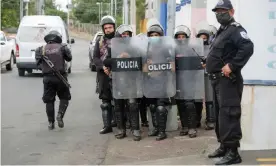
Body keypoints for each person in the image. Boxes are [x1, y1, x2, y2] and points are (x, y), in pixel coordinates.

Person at [205, 0, 254, 165]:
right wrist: (208, 61)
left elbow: (247, 47)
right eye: (217, 11)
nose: (219, 14)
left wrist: (232, 66)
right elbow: (220, 52)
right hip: (217, 81)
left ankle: (233, 152)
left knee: (229, 115)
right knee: (220, 115)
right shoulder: (221, 31)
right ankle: (224, 146)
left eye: (223, 11)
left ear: (231, 11)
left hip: (228, 82)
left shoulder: (236, 30)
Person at [106, 24, 142, 141]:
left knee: (132, 104)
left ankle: (135, 129)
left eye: (127, 34)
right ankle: (121, 130)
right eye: (123, 35)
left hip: (131, 80)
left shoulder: (135, 48)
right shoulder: (113, 48)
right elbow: (106, 61)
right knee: (118, 105)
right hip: (117, 81)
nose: (125, 36)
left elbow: (141, 60)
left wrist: (130, 56)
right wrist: (118, 58)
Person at [35, 30, 72, 130]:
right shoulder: (63, 47)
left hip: (47, 78)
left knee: (49, 101)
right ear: (58, 38)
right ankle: (60, 114)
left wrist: (46, 69)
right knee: (64, 97)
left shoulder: (40, 49)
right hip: (61, 77)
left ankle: (51, 123)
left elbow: (38, 65)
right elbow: (69, 58)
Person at [143, 24, 175, 141]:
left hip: (162, 81)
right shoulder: (145, 49)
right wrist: (148, 66)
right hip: (150, 81)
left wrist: (162, 69)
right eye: (151, 35)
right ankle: (155, 128)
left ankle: (162, 131)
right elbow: (143, 67)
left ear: (161, 36)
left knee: (161, 107)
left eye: (156, 35)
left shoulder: (165, 48)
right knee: (152, 106)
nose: (154, 37)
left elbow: (172, 65)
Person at [173, 25, 201, 138]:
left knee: (189, 103)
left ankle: (192, 127)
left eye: (183, 36)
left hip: (190, 80)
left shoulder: (192, 49)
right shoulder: (173, 49)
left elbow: (199, 62)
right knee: (180, 103)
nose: (181, 38)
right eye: (178, 36)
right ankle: (184, 126)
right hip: (177, 80)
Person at [93, 15, 116, 134]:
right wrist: (103, 67)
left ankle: (120, 123)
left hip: (118, 74)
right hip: (103, 74)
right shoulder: (100, 41)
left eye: (110, 27)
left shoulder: (120, 39)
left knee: (119, 101)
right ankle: (107, 126)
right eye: (106, 28)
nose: (108, 30)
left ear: (114, 27)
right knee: (105, 102)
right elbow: (95, 58)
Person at [195, 28, 215, 130]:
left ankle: (211, 119)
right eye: (201, 37)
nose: (203, 39)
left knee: (210, 96)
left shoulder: (212, 48)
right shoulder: (193, 48)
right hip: (197, 76)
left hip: (208, 74)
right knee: (197, 97)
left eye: (205, 37)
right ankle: (196, 120)